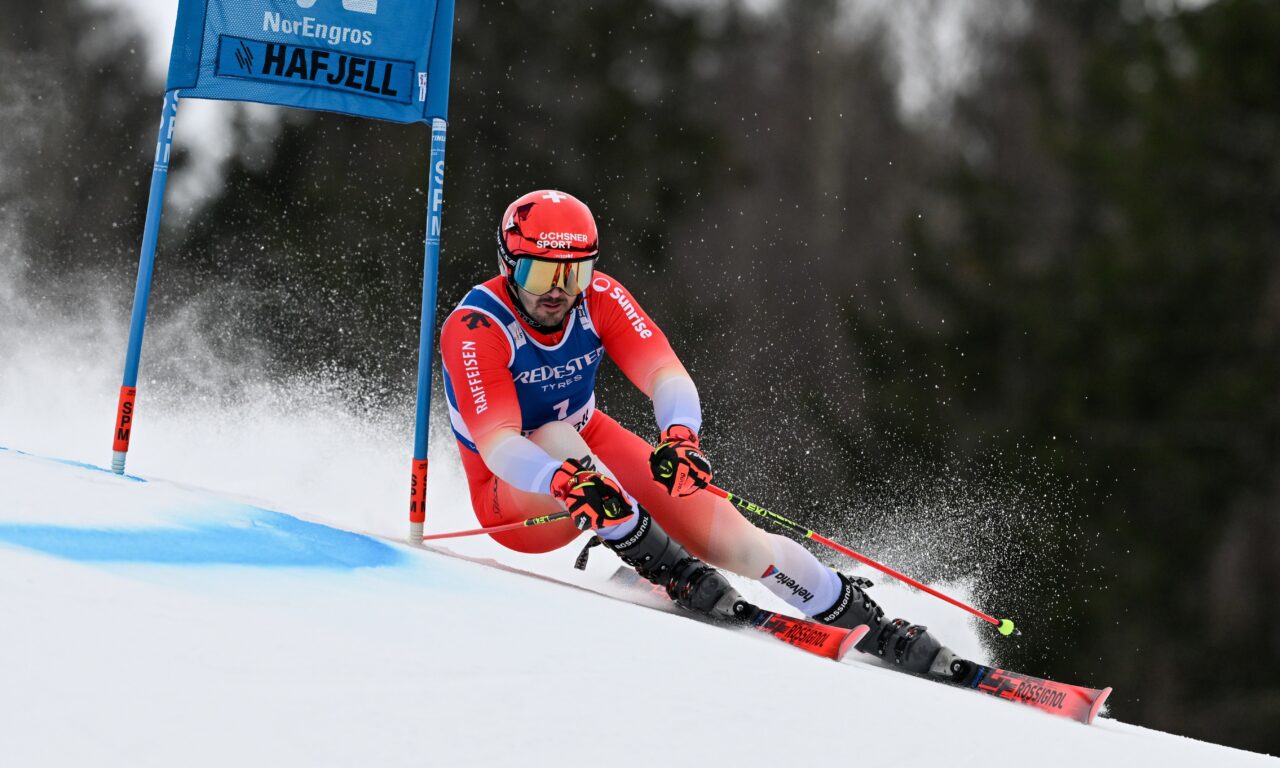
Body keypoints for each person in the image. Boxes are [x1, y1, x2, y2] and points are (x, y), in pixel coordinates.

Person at [439, 189, 951, 674]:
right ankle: (668, 568)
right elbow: (500, 445)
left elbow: (666, 375)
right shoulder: (476, 329)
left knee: (741, 546)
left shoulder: (600, 299)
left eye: (574, 276)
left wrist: (680, 437)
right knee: (557, 438)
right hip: (516, 492)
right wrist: (561, 481)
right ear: (509, 267)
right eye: (541, 274)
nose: (557, 292)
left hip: (590, 449)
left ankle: (870, 623)